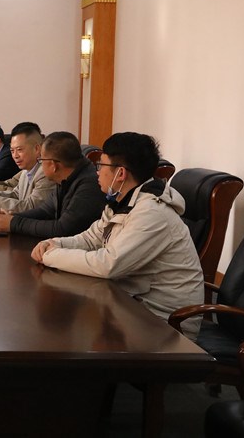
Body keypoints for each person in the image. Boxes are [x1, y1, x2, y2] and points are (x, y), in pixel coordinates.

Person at [29, 132, 204, 339]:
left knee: (72, 329)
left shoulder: (152, 213)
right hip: (132, 303)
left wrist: (50, 256)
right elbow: (91, 238)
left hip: (166, 325)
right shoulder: (123, 202)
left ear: (120, 173)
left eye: (101, 166)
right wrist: (53, 242)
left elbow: (109, 264)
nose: (97, 172)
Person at [0, 131, 103, 238]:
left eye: (41, 160)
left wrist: (13, 223)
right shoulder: (65, 178)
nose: (40, 164)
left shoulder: (88, 185)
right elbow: (45, 210)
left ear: (53, 166)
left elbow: (63, 228)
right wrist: (11, 217)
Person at [0, 122, 55, 213]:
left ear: (37, 149)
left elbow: (31, 207)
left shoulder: (45, 172)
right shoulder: (26, 171)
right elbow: (15, 195)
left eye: (19, 150)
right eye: (12, 151)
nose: (15, 156)